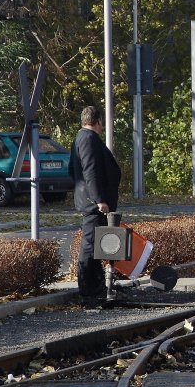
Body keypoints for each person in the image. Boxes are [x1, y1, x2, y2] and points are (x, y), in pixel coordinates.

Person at [69, 105, 121, 306]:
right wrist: (99, 199)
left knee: (95, 243)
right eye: (102, 122)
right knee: (90, 245)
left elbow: (72, 171)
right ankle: (88, 288)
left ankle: (96, 284)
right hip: (94, 203)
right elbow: (90, 171)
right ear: (98, 121)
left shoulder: (80, 138)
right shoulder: (88, 139)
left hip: (90, 200)